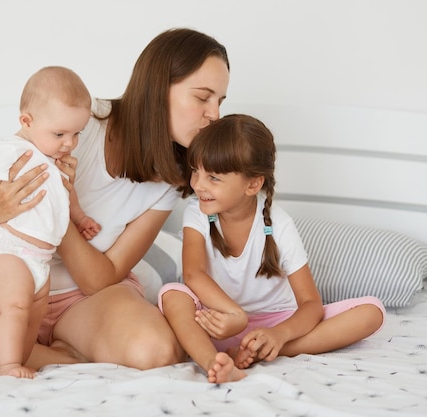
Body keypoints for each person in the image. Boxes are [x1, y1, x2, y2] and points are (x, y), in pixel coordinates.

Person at [0, 27, 237, 380]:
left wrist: (56, 207)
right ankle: (55, 357)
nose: (214, 115)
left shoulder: (169, 181)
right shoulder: (76, 121)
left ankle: (18, 347)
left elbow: (100, 278)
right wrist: (0, 213)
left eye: (219, 101)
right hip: (7, 291)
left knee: (154, 349)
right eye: (202, 97)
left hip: (85, 301)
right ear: (159, 89)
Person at [158, 114, 386, 383]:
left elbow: (311, 305)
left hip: (277, 324)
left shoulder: (279, 225)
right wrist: (234, 315)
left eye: (214, 178)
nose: (198, 185)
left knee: (372, 311)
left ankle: (266, 351)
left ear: (253, 184)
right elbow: (194, 274)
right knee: (173, 294)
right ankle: (214, 361)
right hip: (220, 325)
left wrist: (279, 335)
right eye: (196, 171)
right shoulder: (197, 212)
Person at [0, 66, 100, 378]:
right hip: (7, 252)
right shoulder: (11, 150)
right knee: (15, 308)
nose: (69, 143)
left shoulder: (54, 159)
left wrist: (80, 218)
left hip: (39, 262)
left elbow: (65, 198)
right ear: (27, 121)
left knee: (31, 319)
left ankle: (24, 357)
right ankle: (7, 365)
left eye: (76, 134)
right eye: (60, 134)